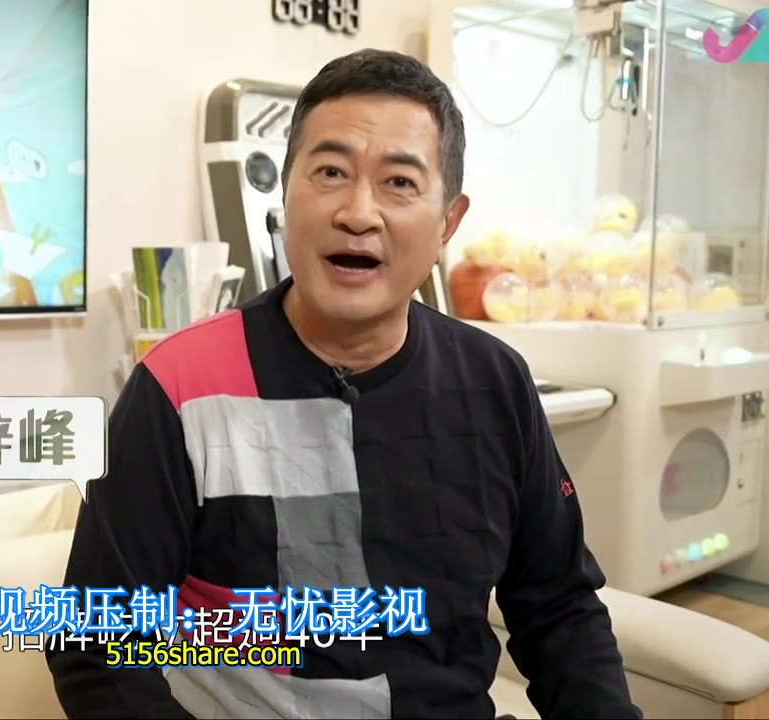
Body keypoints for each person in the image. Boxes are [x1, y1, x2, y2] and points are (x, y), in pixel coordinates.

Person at [45, 49, 641, 719]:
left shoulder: (494, 382)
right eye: (330, 172)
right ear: (285, 195)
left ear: (447, 223)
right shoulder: (180, 386)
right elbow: (93, 643)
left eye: (399, 183)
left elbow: (557, 607)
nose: (359, 213)